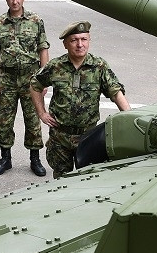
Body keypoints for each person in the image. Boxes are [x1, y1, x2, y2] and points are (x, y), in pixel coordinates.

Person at [30, 21, 130, 179]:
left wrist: (129, 118)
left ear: (89, 41)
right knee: (61, 180)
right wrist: (41, 113)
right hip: (60, 137)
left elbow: (116, 92)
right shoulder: (56, 66)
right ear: (65, 44)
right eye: (74, 40)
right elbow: (35, 85)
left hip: (87, 137)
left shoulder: (99, 67)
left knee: (87, 179)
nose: (79, 44)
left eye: (84, 39)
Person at [0, 0, 49, 177]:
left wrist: (44, 79)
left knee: (33, 119)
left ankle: (35, 159)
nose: (15, 2)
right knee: (4, 120)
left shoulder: (36, 20)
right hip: (6, 78)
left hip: (30, 78)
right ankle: (5, 158)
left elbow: (43, 49)